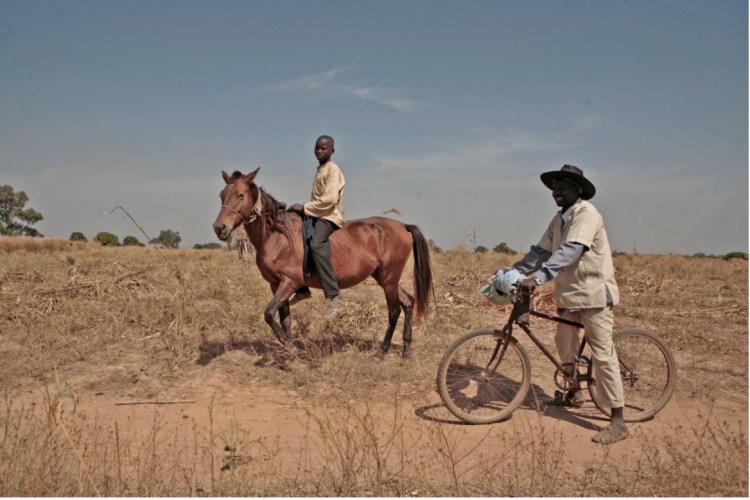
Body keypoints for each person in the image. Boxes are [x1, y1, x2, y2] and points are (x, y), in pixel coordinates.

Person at [512, 164, 628, 444]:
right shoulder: (559, 219)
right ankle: (573, 392)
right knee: (565, 342)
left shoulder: (587, 214)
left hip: (594, 293)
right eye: (554, 189)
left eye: (562, 187)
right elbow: (540, 251)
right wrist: (513, 272)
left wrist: (538, 279)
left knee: (602, 354)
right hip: (570, 293)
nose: (556, 193)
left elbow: (571, 251)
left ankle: (618, 420)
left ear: (577, 189)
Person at [288, 135, 346, 318]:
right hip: (316, 212)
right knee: (296, 239)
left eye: (324, 148)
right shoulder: (320, 169)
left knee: (316, 243)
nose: (319, 151)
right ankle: (302, 288)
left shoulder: (333, 170)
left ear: (332, 151)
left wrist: (304, 207)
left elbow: (329, 200)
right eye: (317, 148)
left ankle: (335, 295)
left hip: (328, 215)